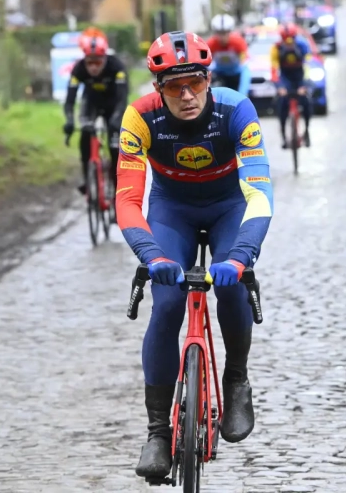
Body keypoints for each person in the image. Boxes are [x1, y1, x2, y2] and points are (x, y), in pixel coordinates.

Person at [116, 30, 274, 479]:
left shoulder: (236, 109)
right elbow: (128, 199)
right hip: (172, 211)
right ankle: (158, 435)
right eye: (173, 86)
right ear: (157, 88)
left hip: (229, 207)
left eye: (196, 84)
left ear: (209, 79)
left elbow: (260, 192)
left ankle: (237, 378)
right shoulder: (140, 118)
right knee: (165, 303)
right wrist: (151, 255)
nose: (186, 96)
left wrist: (240, 256)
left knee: (232, 288)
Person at [63, 28, 129, 199]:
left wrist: (116, 119)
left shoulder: (117, 67)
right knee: (85, 135)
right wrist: (69, 120)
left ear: (104, 58)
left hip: (113, 105)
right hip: (91, 103)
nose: (93, 67)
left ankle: (117, 194)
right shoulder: (78, 69)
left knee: (115, 149)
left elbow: (122, 99)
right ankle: (88, 180)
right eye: (89, 62)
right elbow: (69, 99)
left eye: (97, 62)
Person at [270, 22, 312, 148]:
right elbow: (274, 70)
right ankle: (283, 136)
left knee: (307, 102)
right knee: (282, 103)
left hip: (300, 76)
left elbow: (308, 66)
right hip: (285, 77)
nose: (288, 44)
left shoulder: (303, 45)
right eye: (285, 41)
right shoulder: (276, 48)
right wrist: (279, 87)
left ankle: (307, 131)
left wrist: (305, 85)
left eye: (291, 41)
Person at [205, 14, 251, 96]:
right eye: (219, 33)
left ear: (230, 32)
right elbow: (205, 61)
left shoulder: (238, 41)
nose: (222, 37)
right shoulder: (211, 43)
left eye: (225, 33)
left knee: (246, 72)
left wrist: (241, 63)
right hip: (219, 70)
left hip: (236, 70)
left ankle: (243, 97)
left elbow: (245, 59)